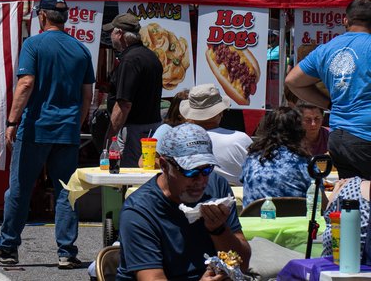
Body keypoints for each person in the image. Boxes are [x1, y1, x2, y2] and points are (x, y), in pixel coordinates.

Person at [0, 0, 92, 269]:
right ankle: (66, 252)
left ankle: (7, 246)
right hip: (66, 130)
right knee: (67, 192)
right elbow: (87, 94)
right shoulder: (81, 49)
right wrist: (75, 124)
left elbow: (26, 83)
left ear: (42, 15)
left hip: (37, 128)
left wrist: (12, 121)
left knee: (19, 188)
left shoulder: (34, 44)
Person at [116, 123, 250, 280]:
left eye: (207, 169)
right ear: (165, 166)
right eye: (190, 170)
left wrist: (219, 229)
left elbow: (243, 264)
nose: (200, 180)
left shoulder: (217, 187)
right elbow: (153, 277)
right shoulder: (139, 211)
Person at [286, 0, 371, 178]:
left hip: (338, 136)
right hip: (365, 134)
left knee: (350, 196)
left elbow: (293, 80)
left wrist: (328, 104)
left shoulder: (326, 49)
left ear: (345, 21)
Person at [103, 12, 164, 166]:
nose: (110, 36)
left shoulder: (130, 60)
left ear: (119, 34)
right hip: (150, 127)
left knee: (129, 175)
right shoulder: (150, 56)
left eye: (112, 32)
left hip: (134, 131)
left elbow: (124, 104)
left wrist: (110, 135)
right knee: (143, 173)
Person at [180, 83, 251, 185]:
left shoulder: (180, 140)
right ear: (220, 113)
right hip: (238, 198)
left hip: (193, 197)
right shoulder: (241, 139)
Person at [240, 105, 311, 204]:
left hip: (253, 217)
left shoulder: (252, 158)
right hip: (294, 218)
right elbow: (320, 201)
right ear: (298, 131)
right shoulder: (304, 162)